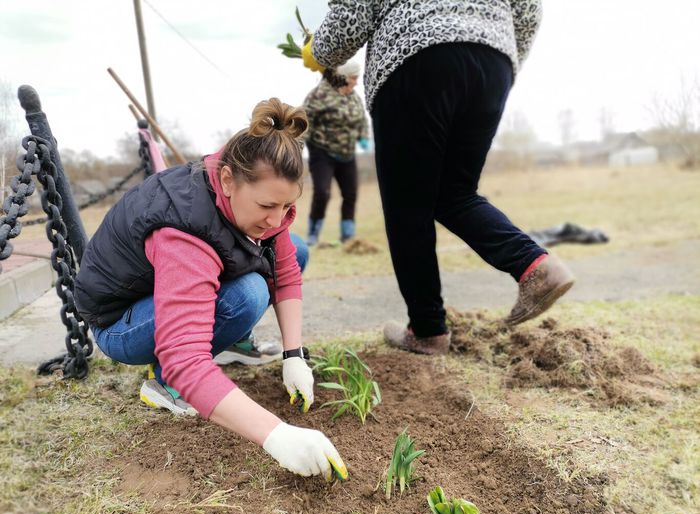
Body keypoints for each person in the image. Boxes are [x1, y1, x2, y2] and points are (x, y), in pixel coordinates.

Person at [74, 99, 346, 481]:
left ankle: (230, 340)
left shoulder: (252, 189)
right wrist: (277, 435)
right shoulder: (183, 230)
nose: (275, 220)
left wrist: (294, 355)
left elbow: (284, 269)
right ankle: (164, 386)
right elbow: (185, 358)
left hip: (162, 290)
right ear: (230, 180)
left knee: (295, 248)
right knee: (248, 294)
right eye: (267, 205)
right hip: (121, 322)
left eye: (286, 206)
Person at [302, 0, 575, 354]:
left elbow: (352, 16)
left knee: (407, 208)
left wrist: (319, 51)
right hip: (493, 61)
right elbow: (527, 12)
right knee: (454, 194)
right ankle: (536, 267)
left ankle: (428, 330)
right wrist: (500, 55)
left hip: (416, 56)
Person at [303, 60, 370, 245]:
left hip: (347, 154)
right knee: (322, 193)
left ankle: (348, 235)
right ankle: (313, 234)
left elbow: (362, 120)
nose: (356, 82)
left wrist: (364, 137)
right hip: (322, 152)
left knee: (351, 194)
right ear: (342, 77)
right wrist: (297, 146)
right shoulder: (319, 94)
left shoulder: (353, 97)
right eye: (353, 78)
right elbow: (304, 122)